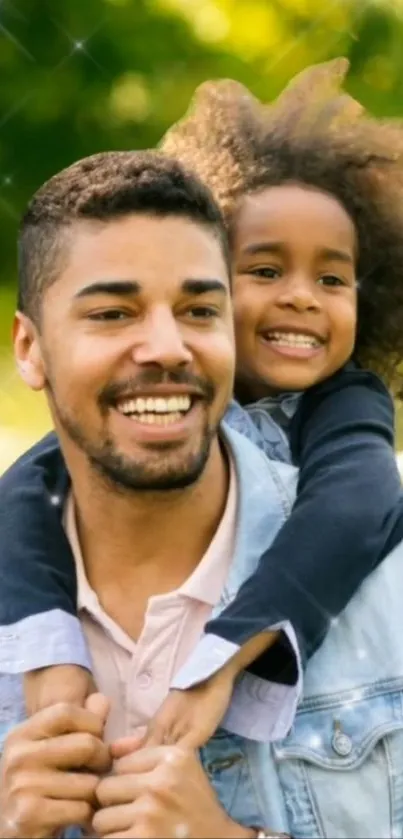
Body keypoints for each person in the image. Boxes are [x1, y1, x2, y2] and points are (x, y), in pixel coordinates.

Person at [1, 146, 403, 839]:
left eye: (196, 310)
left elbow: (359, 499)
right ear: (30, 350)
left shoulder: (381, 570)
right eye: (113, 313)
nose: (165, 347)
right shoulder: (25, 524)